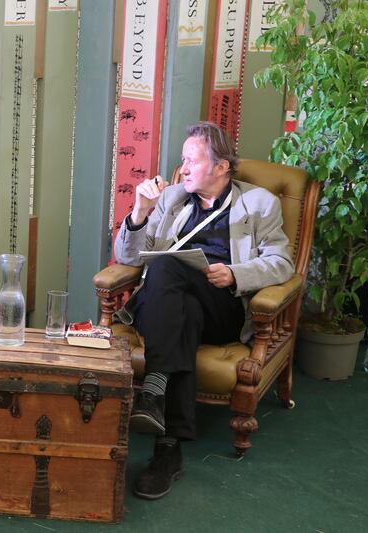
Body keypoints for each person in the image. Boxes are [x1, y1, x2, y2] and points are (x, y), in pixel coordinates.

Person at [114, 122, 293, 499]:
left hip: (222, 305)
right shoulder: (172, 199)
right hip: (168, 306)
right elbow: (127, 257)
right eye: (183, 160)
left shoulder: (259, 203)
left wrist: (235, 273)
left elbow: (282, 263)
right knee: (177, 298)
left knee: (168, 272)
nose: (183, 168)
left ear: (221, 167)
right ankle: (168, 449)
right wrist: (140, 212)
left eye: (191, 160)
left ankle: (154, 391)